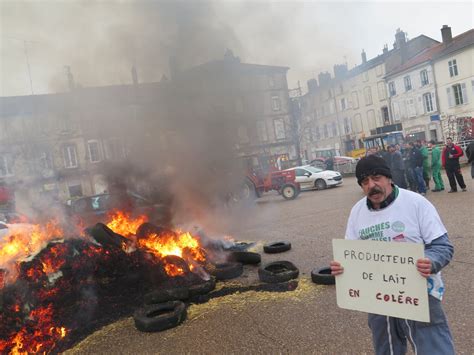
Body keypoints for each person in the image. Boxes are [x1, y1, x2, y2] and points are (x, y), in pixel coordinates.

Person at [330, 155, 455, 355]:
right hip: (377, 296)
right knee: (386, 349)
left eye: (376, 177)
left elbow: (442, 246)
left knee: (434, 348)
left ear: (389, 178)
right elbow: (351, 254)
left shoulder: (416, 203)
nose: (371, 185)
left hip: (419, 293)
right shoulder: (357, 212)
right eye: (365, 181)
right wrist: (342, 267)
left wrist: (431, 261)